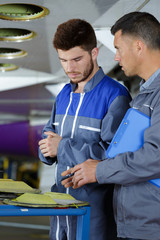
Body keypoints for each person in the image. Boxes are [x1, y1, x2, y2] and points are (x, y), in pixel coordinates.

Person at [61, 12, 160, 240]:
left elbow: (155, 156)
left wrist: (100, 170)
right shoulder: (144, 96)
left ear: (138, 46)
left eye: (118, 48)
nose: (116, 57)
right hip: (136, 225)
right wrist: (89, 169)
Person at [39, 18, 131, 240]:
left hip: (94, 208)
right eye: (64, 60)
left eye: (77, 59)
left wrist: (62, 147)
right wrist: (46, 149)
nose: (70, 68)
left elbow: (115, 156)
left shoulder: (115, 95)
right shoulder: (63, 94)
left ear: (94, 53)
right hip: (60, 205)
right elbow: (48, 139)